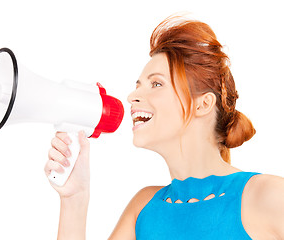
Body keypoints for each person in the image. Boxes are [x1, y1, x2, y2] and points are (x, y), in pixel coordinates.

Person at [44, 15, 284, 239]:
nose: (132, 96)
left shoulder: (267, 196)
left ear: (203, 104)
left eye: (156, 84)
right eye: (137, 85)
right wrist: (74, 198)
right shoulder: (143, 209)